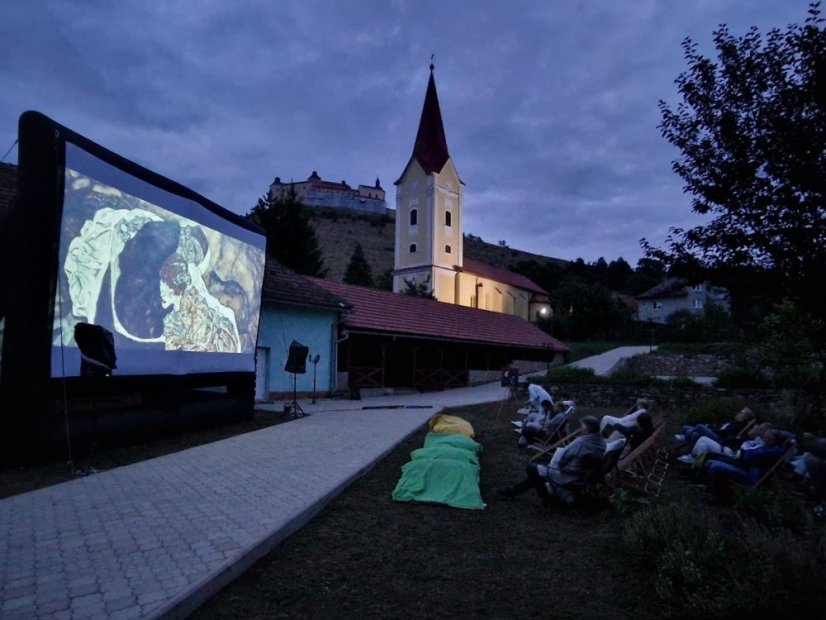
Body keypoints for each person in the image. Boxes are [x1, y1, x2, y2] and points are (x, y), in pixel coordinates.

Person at [497, 416, 606, 505]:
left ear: (587, 430)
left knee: (531, 468)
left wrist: (558, 465)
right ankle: (512, 491)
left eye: (582, 427)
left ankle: (546, 499)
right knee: (536, 474)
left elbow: (564, 456)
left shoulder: (582, 442)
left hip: (568, 476)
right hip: (582, 476)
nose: (581, 429)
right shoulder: (600, 443)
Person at [703, 429, 788, 504]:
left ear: (773, 440)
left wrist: (747, 453)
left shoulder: (774, 451)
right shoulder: (766, 446)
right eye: (764, 436)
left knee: (715, 466)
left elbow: (749, 455)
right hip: (744, 467)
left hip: (750, 475)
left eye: (767, 437)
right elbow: (747, 453)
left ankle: (718, 497)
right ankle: (714, 491)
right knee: (710, 462)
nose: (763, 439)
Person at [675, 406, 755, 454]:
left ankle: (685, 437)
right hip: (716, 433)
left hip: (719, 438)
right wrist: (710, 426)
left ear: (745, 417)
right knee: (689, 430)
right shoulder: (734, 422)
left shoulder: (739, 425)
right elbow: (720, 426)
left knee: (699, 426)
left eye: (741, 412)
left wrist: (709, 429)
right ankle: (689, 454)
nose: (738, 413)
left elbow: (724, 432)